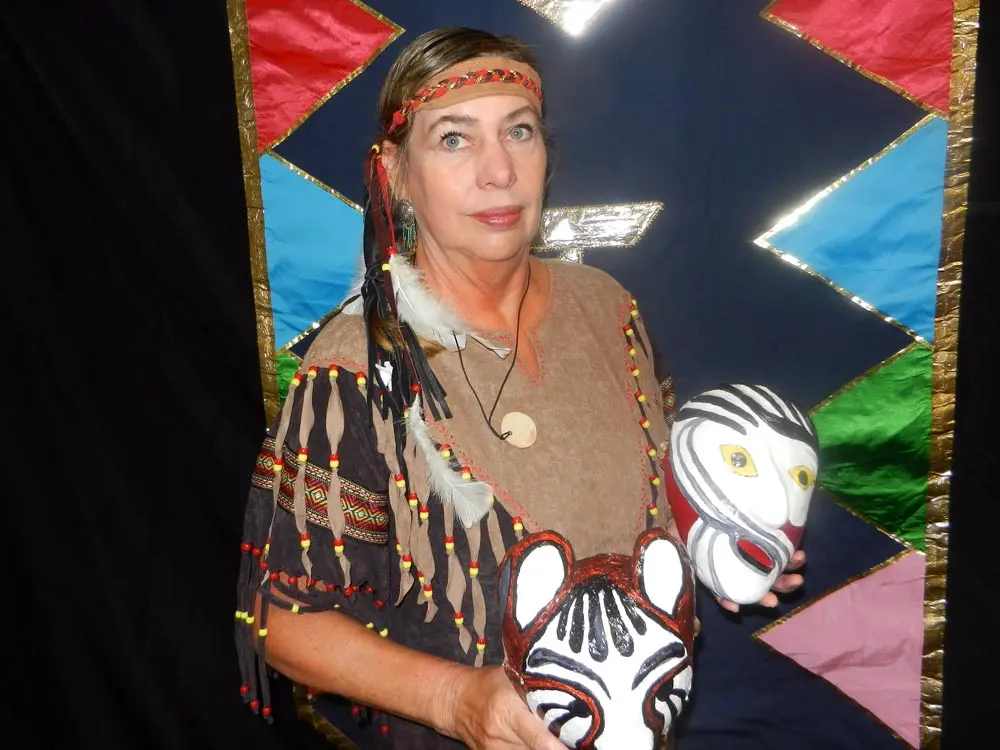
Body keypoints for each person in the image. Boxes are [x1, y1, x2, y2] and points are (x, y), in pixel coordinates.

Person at [235, 26, 805, 750]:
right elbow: (284, 623)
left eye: (519, 131)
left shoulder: (606, 307)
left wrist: (721, 541)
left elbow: (653, 501)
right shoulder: (358, 366)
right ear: (396, 174)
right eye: (454, 139)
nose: (498, 170)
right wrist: (459, 702)